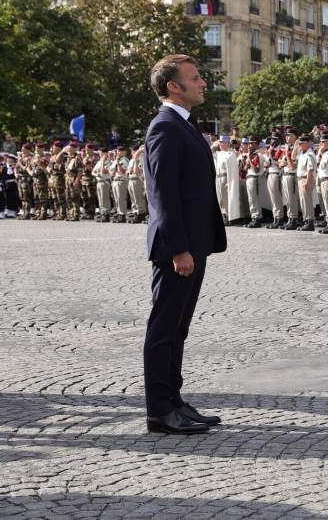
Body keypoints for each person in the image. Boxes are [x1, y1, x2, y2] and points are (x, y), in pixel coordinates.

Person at [143, 54, 227, 434]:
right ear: (173, 87)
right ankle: (160, 410)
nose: (202, 83)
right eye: (195, 78)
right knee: (164, 328)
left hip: (194, 244)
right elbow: (163, 194)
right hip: (178, 249)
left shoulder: (186, 126)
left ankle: (174, 400)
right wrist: (178, 249)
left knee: (179, 328)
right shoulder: (165, 127)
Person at [295, 135, 317, 232]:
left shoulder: (309, 154)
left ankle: (310, 222)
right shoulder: (302, 154)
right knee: (303, 201)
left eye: (301, 143)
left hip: (306, 179)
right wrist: (295, 146)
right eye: (299, 143)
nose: (299, 145)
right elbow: (292, 156)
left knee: (307, 201)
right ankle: (306, 220)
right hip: (301, 179)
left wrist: (308, 182)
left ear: (307, 143)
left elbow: (310, 170)